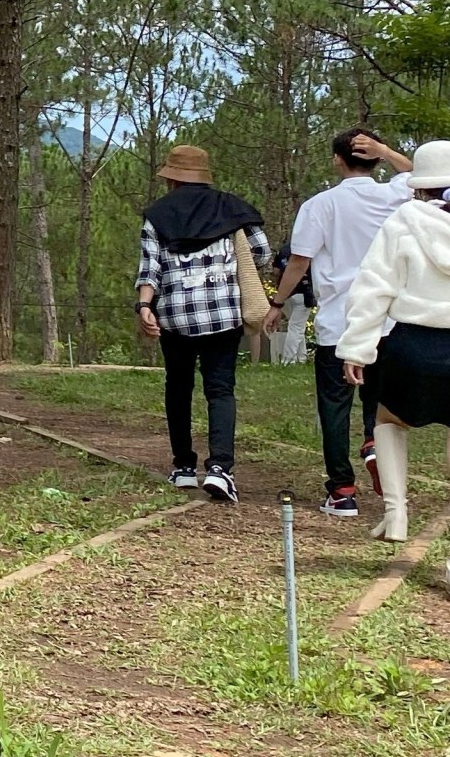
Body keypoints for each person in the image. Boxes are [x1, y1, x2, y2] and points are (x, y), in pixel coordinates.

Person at [264, 130, 414, 518]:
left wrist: (277, 302)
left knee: (334, 405)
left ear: (336, 160)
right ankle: (373, 445)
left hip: (338, 321)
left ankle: (342, 491)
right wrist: (387, 151)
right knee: (378, 403)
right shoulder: (394, 195)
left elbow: (300, 261)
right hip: (387, 321)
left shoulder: (320, 205)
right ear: (376, 160)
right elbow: (422, 175)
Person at [136, 145, 272, 503]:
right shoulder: (232, 208)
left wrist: (144, 305)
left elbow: (150, 267)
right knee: (220, 390)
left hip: (175, 316)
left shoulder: (157, 215)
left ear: (172, 179)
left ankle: (183, 466)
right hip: (223, 314)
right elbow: (262, 253)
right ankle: (221, 469)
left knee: (178, 388)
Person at [337, 139, 450, 547]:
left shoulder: (405, 220)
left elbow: (373, 288)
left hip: (413, 345)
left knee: (388, 421)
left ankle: (396, 512)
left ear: (419, 183)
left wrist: (357, 348)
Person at [270, 243, 313, 365]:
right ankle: (288, 360)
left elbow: (276, 271)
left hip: (286, 294)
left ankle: (301, 357)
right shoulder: (306, 249)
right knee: (296, 328)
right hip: (303, 292)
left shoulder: (284, 249)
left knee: (296, 327)